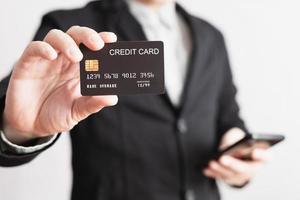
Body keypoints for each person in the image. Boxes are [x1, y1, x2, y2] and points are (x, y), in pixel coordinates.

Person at [0, 0, 268, 199]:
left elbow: (228, 118)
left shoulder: (211, 37)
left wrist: (238, 158)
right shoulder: (69, 26)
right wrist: (18, 130)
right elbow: (19, 105)